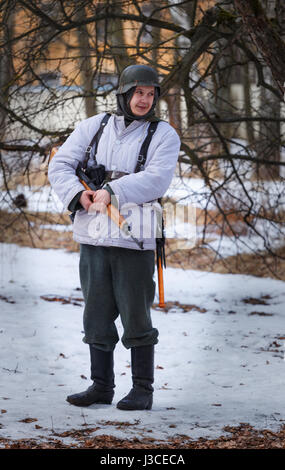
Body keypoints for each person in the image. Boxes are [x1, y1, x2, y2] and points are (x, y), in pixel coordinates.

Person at [48, 64, 181, 410]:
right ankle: (101, 386)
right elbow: (60, 165)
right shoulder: (95, 126)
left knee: (136, 314)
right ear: (123, 93)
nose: (144, 99)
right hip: (92, 237)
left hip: (134, 239)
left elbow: (157, 179)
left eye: (151, 94)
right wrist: (80, 196)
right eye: (138, 92)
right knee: (95, 315)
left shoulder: (163, 134)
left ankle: (142, 389)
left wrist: (112, 189)